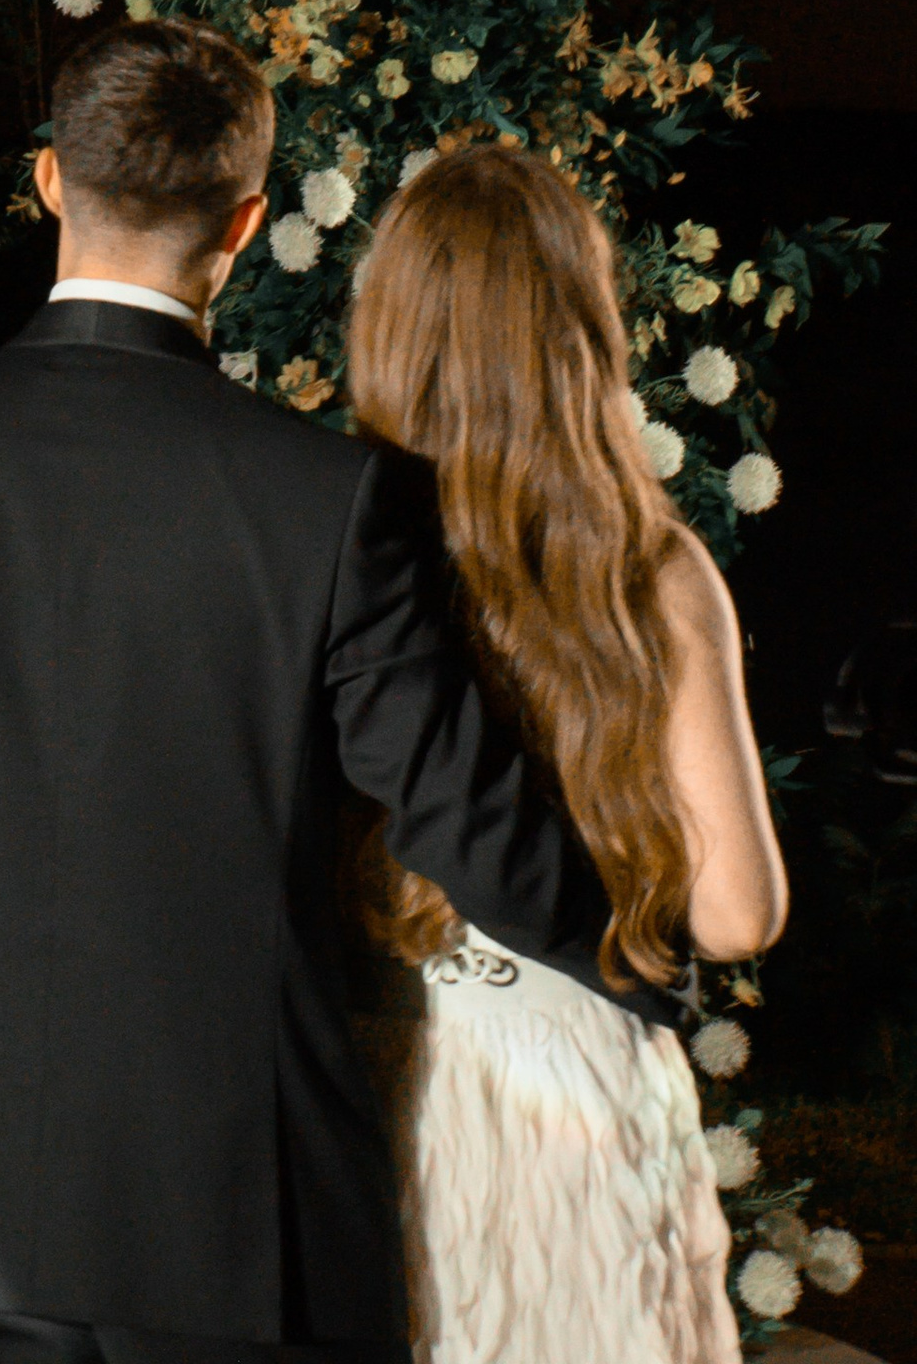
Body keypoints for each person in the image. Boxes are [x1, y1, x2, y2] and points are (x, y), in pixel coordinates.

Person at [0, 17, 622, 1364]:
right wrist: (639, 958)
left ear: (50, 179)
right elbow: (462, 820)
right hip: (245, 1224)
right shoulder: (330, 499)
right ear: (243, 220)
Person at [345, 146, 785, 1364]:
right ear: (581, 328)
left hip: (401, 1073)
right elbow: (739, 912)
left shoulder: (350, 561)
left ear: (392, 329)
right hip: (586, 1078)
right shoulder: (649, 568)